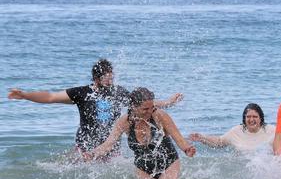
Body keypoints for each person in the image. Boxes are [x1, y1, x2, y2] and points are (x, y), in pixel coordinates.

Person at [7, 58, 183, 156]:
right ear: (96, 79)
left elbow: (142, 104)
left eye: (112, 78)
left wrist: (168, 102)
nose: (110, 81)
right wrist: (24, 95)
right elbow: (51, 97)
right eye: (107, 78)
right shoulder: (82, 93)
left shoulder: (117, 92)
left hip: (110, 148)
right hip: (85, 145)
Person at [84, 87, 196, 179]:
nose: (150, 112)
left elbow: (177, 137)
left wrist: (187, 149)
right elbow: (108, 144)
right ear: (133, 107)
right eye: (145, 109)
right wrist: (92, 154)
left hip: (168, 163)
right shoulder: (124, 122)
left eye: (152, 107)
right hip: (143, 167)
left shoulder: (160, 116)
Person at [189, 103, 276, 152]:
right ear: (244, 118)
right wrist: (202, 138)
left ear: (261, 118)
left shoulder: (272, 130)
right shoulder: (236, 131)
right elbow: (219, 142)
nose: (251, 120)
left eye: (255, 117)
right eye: (248, 117)